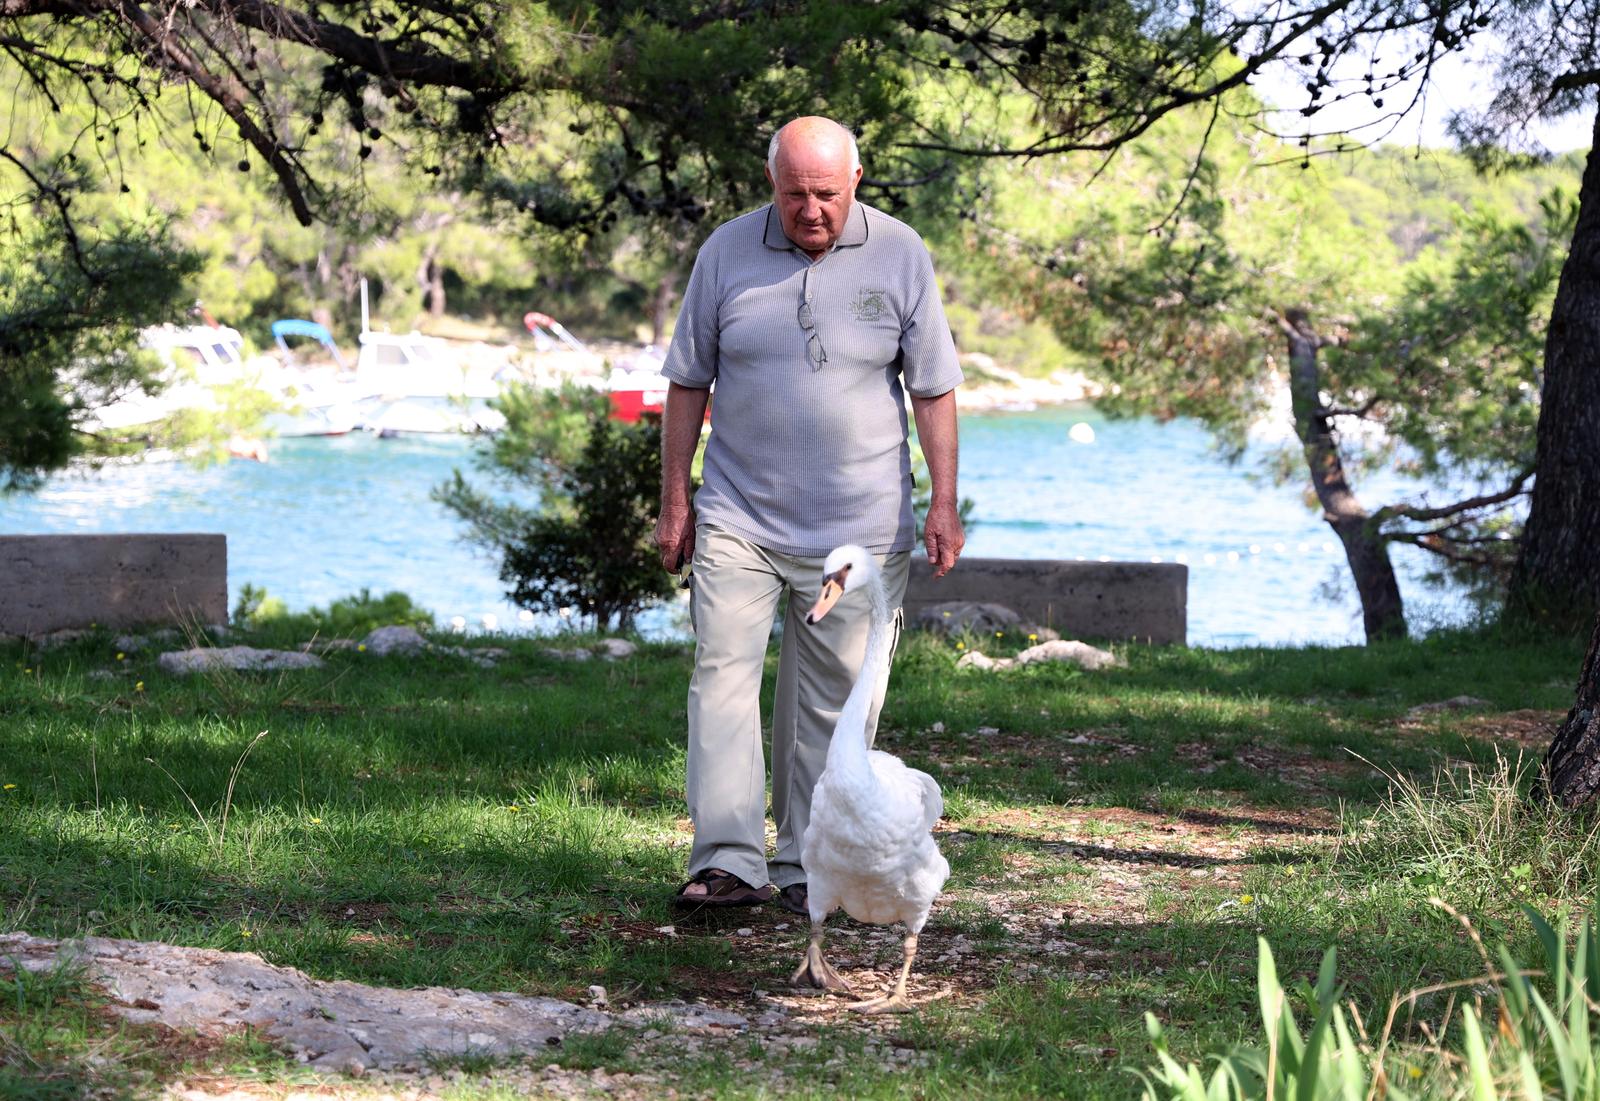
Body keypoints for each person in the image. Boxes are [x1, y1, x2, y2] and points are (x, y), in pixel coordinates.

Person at [654, 115, 964, 914]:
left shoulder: (901, 253)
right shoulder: (725, 251)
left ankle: (803, 863)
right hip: (739, 516)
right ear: (772, 186)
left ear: (855, 181)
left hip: (859, 530)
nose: (811, 210)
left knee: (831, 698)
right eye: (795, 195)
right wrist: (676, 500)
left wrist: (944, 503)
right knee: (722, 677)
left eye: (826, 194)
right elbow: (687, 381)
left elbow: (932, 388)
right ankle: (726, 860)